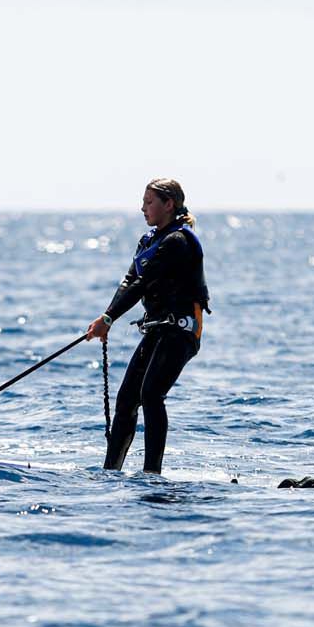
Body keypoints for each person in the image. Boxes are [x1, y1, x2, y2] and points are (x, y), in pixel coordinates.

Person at [86, 178, 211, 474]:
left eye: (149, 202)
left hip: (181, 331)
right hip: (158, 330)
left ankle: (152, 474)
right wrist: (107, 316)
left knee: (151, 394)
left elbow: (144, 282)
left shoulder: (178, 242)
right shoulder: (149, 241)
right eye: (143, 202)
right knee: (127, 399)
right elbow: (129, 280)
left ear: (169, 204)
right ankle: (110, 471)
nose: (143, 208)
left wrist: (108, 319)